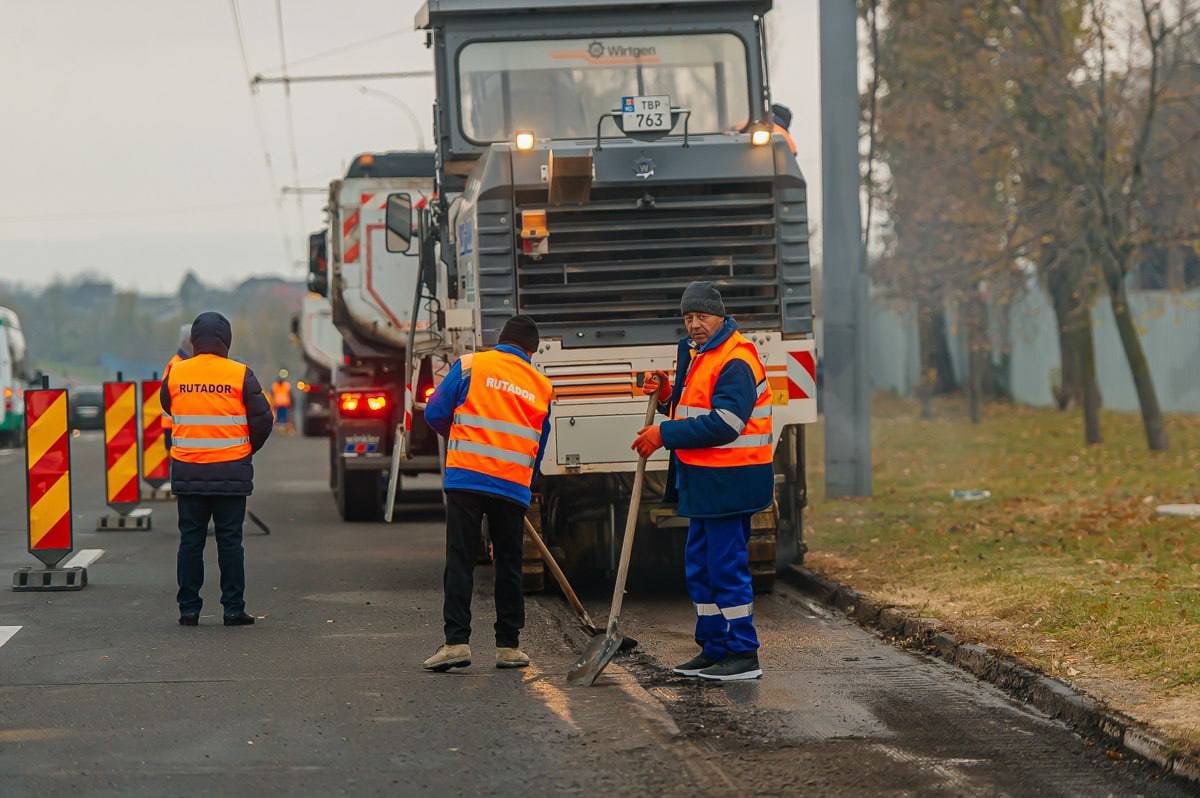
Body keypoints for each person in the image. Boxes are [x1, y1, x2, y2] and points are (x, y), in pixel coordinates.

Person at [632, 282, 773, 681]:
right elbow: (696, 406)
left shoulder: (736, 360)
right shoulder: (701, 354)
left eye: (701, 316)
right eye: (688, 317)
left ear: (720, 315)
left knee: (725, 568)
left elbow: (726, 423)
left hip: (732, 483)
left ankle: (743, 654)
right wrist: (664, 398)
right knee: (700, 567)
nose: (694, 324)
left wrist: (665, 434)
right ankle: (713, 649)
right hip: (706, 483)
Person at [421, 315, 553, 672]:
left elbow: (434, 413)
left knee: (461, 558)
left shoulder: (470, 365)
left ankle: (456, 643)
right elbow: (539, 443)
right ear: (532, 350)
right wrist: (528, 480)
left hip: (467, 478)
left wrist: (462, 438)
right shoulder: (542, 385)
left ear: (499, 341)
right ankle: (508, 647)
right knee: (509, 562)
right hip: (511, 484)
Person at [160, 312, 273, 627]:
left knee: (191, 540)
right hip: (231, 473)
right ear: (227, 340)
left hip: (188, 471)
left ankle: (188, 609)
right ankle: (233, 609)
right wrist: (247, 449)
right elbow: (263, 418)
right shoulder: (240, 373)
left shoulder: (177, 373)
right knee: (230, 541)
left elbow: (168, 405)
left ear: (194, 341)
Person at [160, 325, 193, 450]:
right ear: (189, 342)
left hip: (177, 426)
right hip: (175, 427)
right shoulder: (178, 365)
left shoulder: (181, 363)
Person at [271, 369, 294, 434]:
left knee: (284, 417)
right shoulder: (275, 385)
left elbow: (290, 394)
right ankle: (281, 429)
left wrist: (292, 402)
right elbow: (272, 394)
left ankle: (284, 428)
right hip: (277, 404)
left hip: (285, 404)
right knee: (279, 417)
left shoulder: (286, 385)